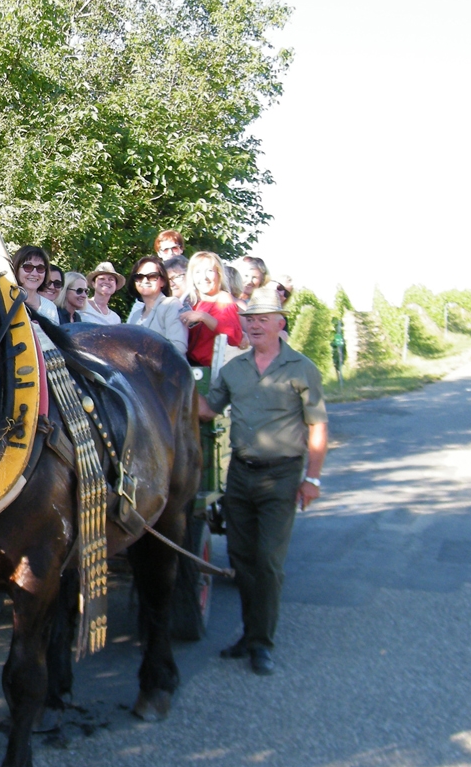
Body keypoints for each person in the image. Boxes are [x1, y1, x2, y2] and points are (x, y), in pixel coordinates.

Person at [198, 285, 328, 676]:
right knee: (242, 561)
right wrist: (171, 388)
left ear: (279, 323)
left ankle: (261, 643)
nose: (253, 325)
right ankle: (249, 635)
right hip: (240, 474)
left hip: (283, 475)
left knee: (268, 562)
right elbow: (207, 410)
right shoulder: (234, 369)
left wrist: (313, 480)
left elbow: (317, 427)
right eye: (249, 320)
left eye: (261, 320)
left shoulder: (301, 368)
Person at [181, 251, 245, 365]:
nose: (204, 277)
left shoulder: (224, 299)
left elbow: (235, 337)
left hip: (209, 370)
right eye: (198, 272)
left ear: (218, 274)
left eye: (209, 271)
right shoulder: (189, 300)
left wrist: (204, 317)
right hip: (185, 364)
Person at [125, 256, 188, 354]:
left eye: (152, 276)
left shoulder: (171, 305)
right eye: (139, 277)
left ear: (162, 281)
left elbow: (178, 348)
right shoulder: (135, 315)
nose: (145, 281)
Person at [11, 245, 60, 324]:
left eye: (40, 268)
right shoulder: (5, 301)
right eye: (28, 267)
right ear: (16, 268)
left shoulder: (50, 308)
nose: (34, 273)